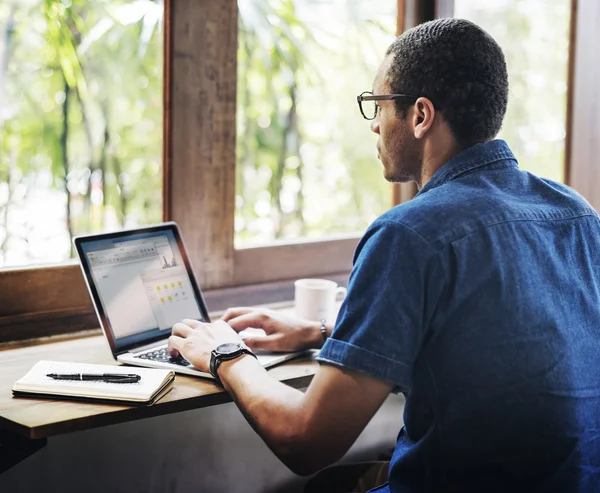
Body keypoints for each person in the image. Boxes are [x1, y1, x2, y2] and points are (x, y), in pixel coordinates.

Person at [168, 18, 600, 493]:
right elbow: (498, 352)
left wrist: (224, 353)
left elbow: (305, 441)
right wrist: (323, 334)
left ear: (420, 116)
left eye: (377, 105)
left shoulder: (409, 233)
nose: (373, 123)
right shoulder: (576, 214)